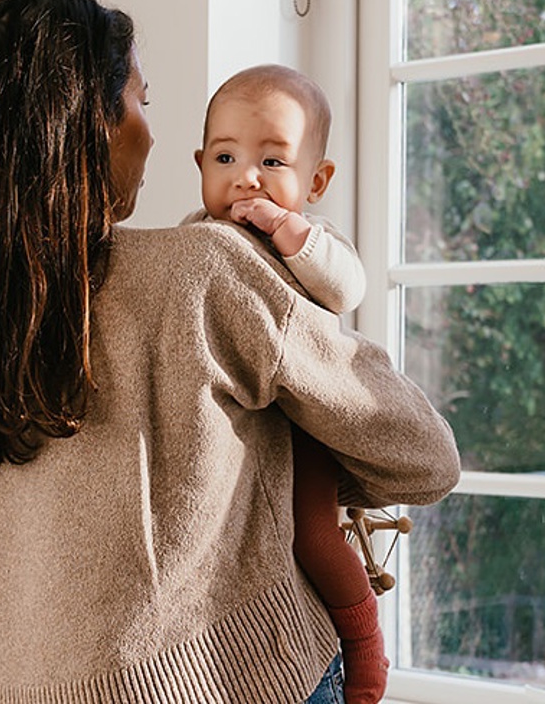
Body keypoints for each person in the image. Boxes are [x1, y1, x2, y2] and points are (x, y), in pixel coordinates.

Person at [0, 0, 461, 704]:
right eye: (142, 100)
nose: (151, 129)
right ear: (93, 121)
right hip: (238, 684)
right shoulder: (203, 271)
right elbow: (425, 459)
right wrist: (285, 457)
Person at [187, 65, 387, 704]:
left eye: (273, 161)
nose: (246, 176)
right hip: (234, 428)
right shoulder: (199, 235)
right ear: (201, 164)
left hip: (302, 423)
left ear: (316, 180)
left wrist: (292, 236)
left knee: (314, 534)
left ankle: (362, 646)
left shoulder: (312, 239)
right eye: (226, 156)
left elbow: (347, 289)